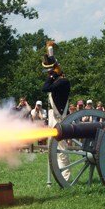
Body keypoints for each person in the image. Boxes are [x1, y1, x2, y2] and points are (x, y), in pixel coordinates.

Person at [41, 41, 72, 180]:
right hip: (52, 116)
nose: (47, 73)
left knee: (62, 149)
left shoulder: (63, 81)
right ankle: (57, 175)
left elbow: (45, 87)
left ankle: (65, 176)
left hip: (60, 117)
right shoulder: (56, 80)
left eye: (49, 70)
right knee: (51, 148)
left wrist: (53, 74)